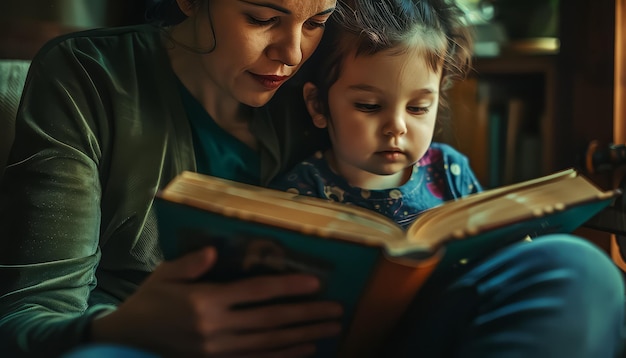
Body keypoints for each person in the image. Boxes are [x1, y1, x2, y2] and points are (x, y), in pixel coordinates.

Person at [0, 1, 623, 358]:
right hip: (164, 343)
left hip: (370, 336)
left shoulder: (335, 64)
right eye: (261, 16)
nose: (294, 54)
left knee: (577, 271)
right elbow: (26, 319)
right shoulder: (89, 76)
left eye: (316, 19)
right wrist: (125, 325)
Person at [270, 0, 483, 230]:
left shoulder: (449, 171)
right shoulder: (301, 192)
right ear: (318, 105)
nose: (396, 127)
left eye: (418, 107)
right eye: (369, 106)